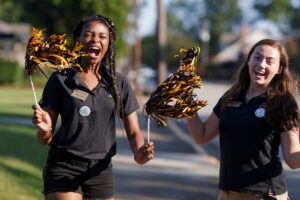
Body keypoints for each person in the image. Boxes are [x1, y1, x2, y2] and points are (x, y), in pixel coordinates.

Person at [32, 14, 154, 200]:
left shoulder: (119, 82)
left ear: (109, 43)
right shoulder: (60, 79)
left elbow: (133, 132)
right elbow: (45, 137)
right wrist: (44, 131)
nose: (95, 39)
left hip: (100, 169)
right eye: (88, 34)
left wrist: (139, 153)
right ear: (78, 40)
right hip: (64, 165)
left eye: (102, 36)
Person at [187, 39, 300, 199]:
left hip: (265, 194)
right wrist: (187, 105)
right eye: (257, 57)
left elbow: (292, 158)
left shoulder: (283, 102)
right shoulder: (231, 96)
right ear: (248, 61)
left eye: (270, 61)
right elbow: (202, 135)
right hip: (228, 193)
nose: (261, 64)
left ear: (279, 69)